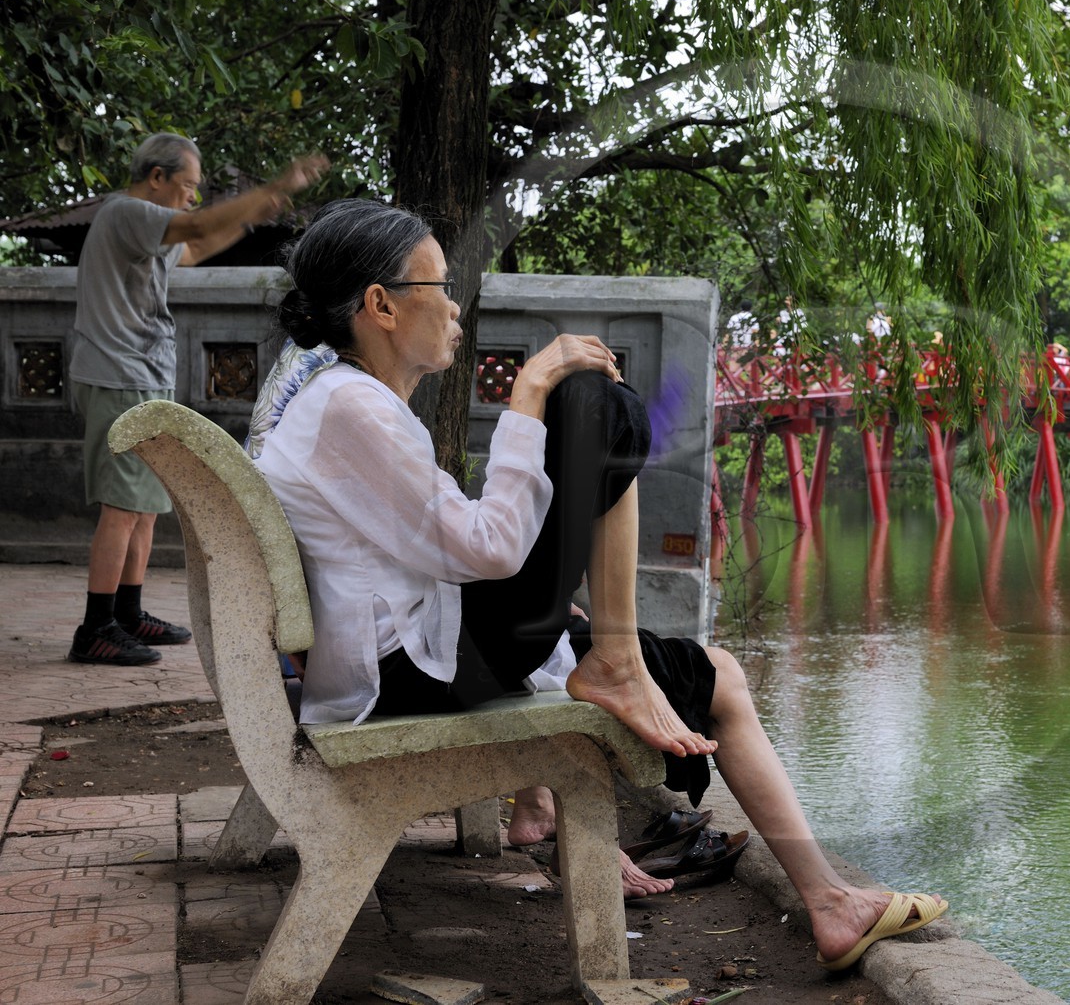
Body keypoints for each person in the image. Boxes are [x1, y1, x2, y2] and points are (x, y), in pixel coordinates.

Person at [250, 198, 946, 968]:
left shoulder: (342, 401)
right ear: (380, 305)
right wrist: (530, 387)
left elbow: (438, 550)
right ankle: (826, 897)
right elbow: (489, 550)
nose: (454, 305)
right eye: (439, 286)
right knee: (594, 401)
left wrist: (558, 604)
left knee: (708, 664)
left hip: (411, 655)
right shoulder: (351, 407)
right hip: (410, 673)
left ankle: (596, 727)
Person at [68, 132, 328, 666]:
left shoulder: (147, 233)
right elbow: (202, 225)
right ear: (156, 177)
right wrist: (275, 185)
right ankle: (95, 627)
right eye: (187, 185)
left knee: (143, 508)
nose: (192, 197)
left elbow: (200, 246)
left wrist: (259, 209)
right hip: (118, 375)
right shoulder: (128, 212)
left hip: (139, 372)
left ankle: (128, 612)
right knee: (122, 509)